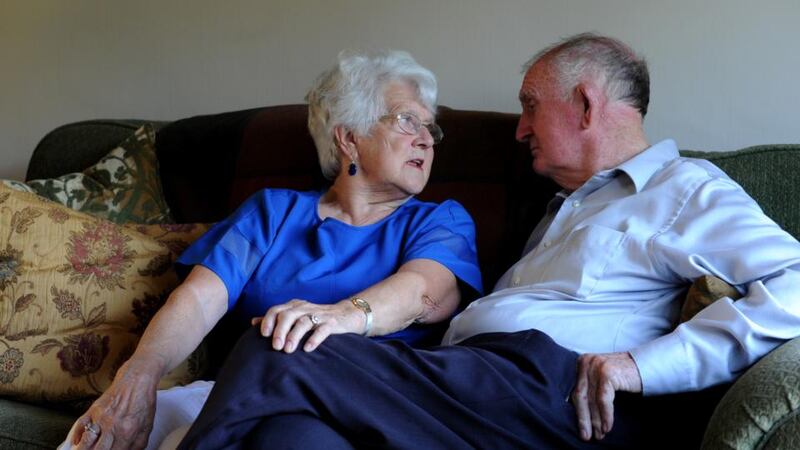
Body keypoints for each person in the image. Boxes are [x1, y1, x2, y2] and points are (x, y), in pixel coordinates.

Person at [176, 33, 800, 449]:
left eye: (531, 106)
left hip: (552, 391)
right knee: (290, 435)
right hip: (470, 386)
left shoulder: (683, 188)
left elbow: (796, 285)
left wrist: (645, 366)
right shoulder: (567, 208)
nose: (520, 128)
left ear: (586, 105)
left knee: (279, 344)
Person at [64, 50, 483, 450]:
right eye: (409, 121)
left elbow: (424, 293)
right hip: (243, 392)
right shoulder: (273, 212)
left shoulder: (439, 221)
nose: (427, 141)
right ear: (350, 138)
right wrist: (136, 378)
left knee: (286, 429)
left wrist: (338, 317)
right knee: (98, 435)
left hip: (369, 402)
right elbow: (198, 299)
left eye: (431, 129)